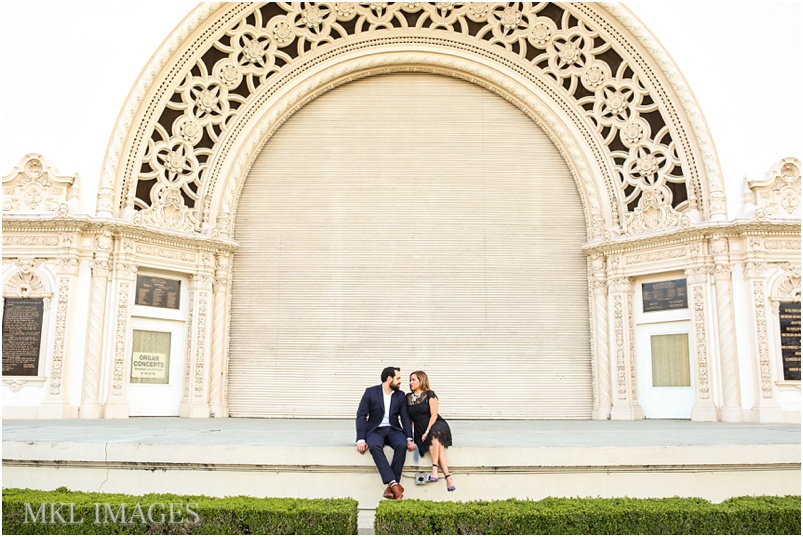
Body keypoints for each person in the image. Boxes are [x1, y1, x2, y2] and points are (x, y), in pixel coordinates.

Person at [355, 366, 416, 500]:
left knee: (401, 445)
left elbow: (405, 417)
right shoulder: (370, 392)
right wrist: (360, 439)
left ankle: (391, 486)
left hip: (393, 429)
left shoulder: (400, 395)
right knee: (374, 446)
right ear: (389, 379)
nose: (400, 381)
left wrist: (409, 438)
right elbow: (361, 415)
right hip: (375, 430)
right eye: (398, 378)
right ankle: (394, 484)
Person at [407, 370, 455, 491]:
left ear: (421, 380)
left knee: (434, 435)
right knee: (438, 446)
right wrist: (409, 437)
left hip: (435, 424)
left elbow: (434, 415)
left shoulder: (430, 395)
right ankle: (448, 478)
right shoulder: (407, 398)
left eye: (413, 380)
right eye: (410, 380)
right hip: (420, 429)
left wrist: (427, 431)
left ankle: (434, 469)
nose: (411, 382)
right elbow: (410, 420)